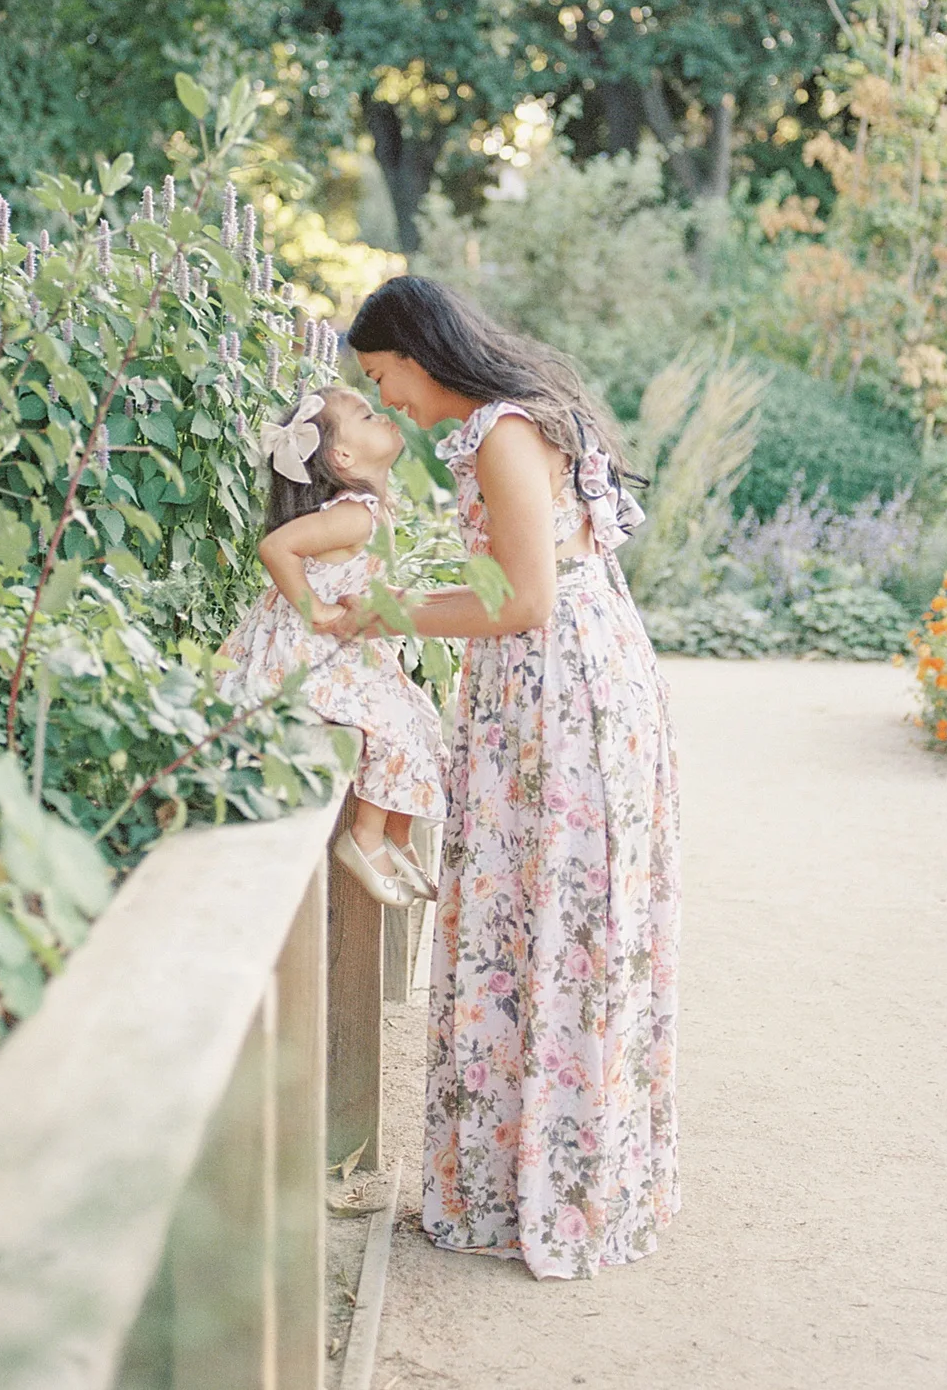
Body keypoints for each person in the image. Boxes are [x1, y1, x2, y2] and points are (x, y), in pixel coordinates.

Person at [335, 275, 680, 1281]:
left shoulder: (501, 431)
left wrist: (386, 610)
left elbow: (524, 598)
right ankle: (544, 1180)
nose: (384, 396)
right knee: (547, 924)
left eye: (381, 373)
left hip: (558, 694)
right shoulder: (502, 424)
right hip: (561, 685)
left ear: (417, 349)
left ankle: (547, 1190)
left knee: (551, 923)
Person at [217, 385, 446, 907]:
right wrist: (313, 610)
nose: (383, 413)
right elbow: (277, 547)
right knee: (392, 722)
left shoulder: (369, 510)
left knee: (419, 714)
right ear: (343, 456)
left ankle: (397, 834)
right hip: (303, 654)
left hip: (337, 649)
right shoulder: (355, 514)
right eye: (367, 415)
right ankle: (365, 837)